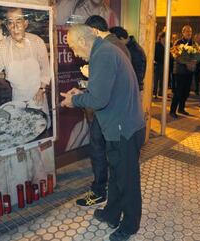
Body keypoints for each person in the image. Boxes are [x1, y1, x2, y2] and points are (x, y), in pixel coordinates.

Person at [62, 24, 145, 241]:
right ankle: (111, 214)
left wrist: (74, 100)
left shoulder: (103, 55)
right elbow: (104, 90)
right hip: (122, 126)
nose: (73, 52)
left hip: (123, 129)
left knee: (127, 180)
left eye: (72, 47)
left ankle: (130, 225)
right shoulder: (105, 51)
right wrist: (81, 92)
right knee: (117, 174)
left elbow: (99, 100)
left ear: (82, 41)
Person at [75, 15, 131, 208]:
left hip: (110, 112)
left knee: (99, 149)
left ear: (93, 32)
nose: (78, 52)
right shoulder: (114, 44)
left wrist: (90, 76)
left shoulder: (108, 48)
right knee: (106, 152)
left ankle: (100, 192)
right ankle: (107, 195)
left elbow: (106, 89)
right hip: (114, 111)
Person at [0, 8, 50, 114]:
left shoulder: (37, 42)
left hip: (39, 98)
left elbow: (46, 70)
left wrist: (42, 89)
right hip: (18, 102)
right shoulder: (2, 48)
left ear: (25, 23)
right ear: (7, 26)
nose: (15, 27)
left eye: (18, 21)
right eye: (10, 23)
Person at [109, 26, 147, 94]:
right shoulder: (128, 48)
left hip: (132, 89)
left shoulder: (135, 51)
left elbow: (138, 75)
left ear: (121, 39)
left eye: (114, 41)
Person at [169, 25, 195, 118]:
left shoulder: (193, 43)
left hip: (189, 72)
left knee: (186, 92)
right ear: (183, 32)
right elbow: (174, 55)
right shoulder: (178, 42)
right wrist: (186, 63)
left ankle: (181, 108)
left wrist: (193, 62)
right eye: (187, 31)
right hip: (179, 71)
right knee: (178, 92)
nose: (189, 33)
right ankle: (172, 111)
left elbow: (196, 54)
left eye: (190, 31)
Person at [153, 32, 166, 97]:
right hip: (158, 64)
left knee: (163, 79)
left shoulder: (167, 44)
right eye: (164, 37)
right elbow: (154, 54)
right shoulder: (156, 44)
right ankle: (154, 92)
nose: (165, 39)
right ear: (161, 38)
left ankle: (161, 92)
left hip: (164, 64)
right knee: (156, 79)